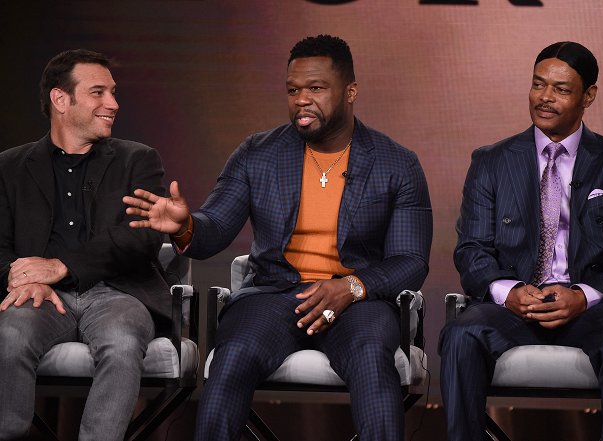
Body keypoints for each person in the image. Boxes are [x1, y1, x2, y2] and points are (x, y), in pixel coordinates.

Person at [124, 34, 433, 441]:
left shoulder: (397, 163)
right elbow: (214, 227)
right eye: (293, 90)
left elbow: (410, 261)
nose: (302, 100)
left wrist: (350, 287)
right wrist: (185, 225)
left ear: (351, 91)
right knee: (232, 358)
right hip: (273, 295)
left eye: (316, 88)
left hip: (358, 301)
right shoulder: (258, 152)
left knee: (372, 361)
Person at [438, 41, 603, 441]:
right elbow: (472, 250)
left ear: (588, 95)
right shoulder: (491, 161)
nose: (545, 98)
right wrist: (510, 292)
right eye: (538, 85)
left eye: (561, 89)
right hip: (514, 308)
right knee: (460, 334)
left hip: (590, 308)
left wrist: (583, 295)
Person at [0, 49, 171, 441]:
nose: (113, 104)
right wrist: (23, 277)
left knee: (123, 342)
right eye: (98, 93)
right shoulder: (9, 167)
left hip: (119, 293)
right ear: (61, 100)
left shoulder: (138, 160)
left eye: (113, 93)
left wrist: (59, 265)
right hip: (39, 296)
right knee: (9, 336)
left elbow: (143, 238)